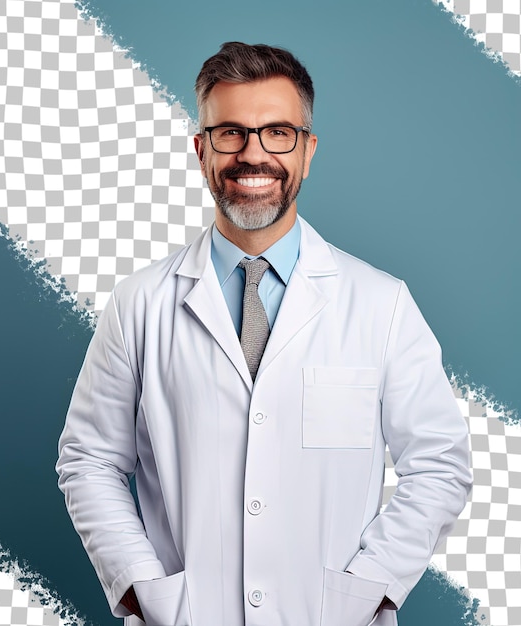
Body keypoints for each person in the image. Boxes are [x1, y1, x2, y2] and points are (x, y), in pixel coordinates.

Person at [57, 42, 472, 626]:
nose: (254, 154)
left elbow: (439, 464)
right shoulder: (139, 303)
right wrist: (140, 586)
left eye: (278, 132)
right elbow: (89, 459)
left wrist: (370, 588)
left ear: (308, 151)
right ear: (202, 150)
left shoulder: (382, 304)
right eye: (231, 133)